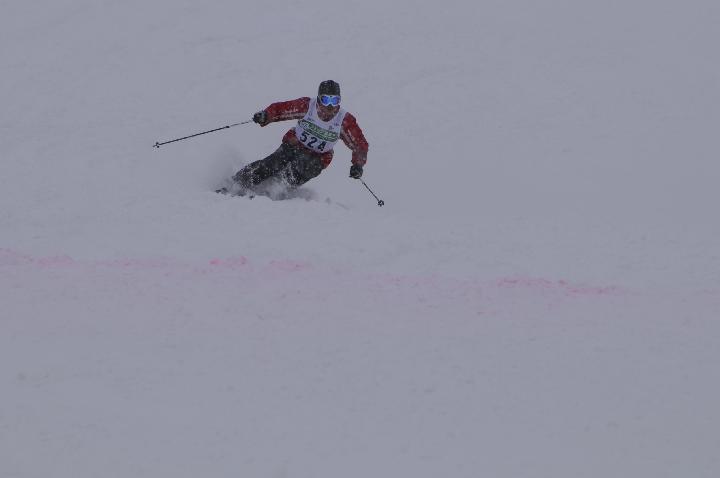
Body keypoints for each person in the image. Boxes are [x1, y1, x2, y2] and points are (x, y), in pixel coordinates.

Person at [228, 80, 369, 193]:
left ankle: (274, 190)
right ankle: (236, 183)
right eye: (326, 100)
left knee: (301, 168)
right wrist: (266, 115)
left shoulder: (344, 120)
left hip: (318, 157)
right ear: (319, 99)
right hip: (295, 145)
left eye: (335, 100)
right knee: (272, 164)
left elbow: (360, 144)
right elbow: (281, 109)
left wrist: (358, 165)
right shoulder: (307, 106)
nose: (331, 106)